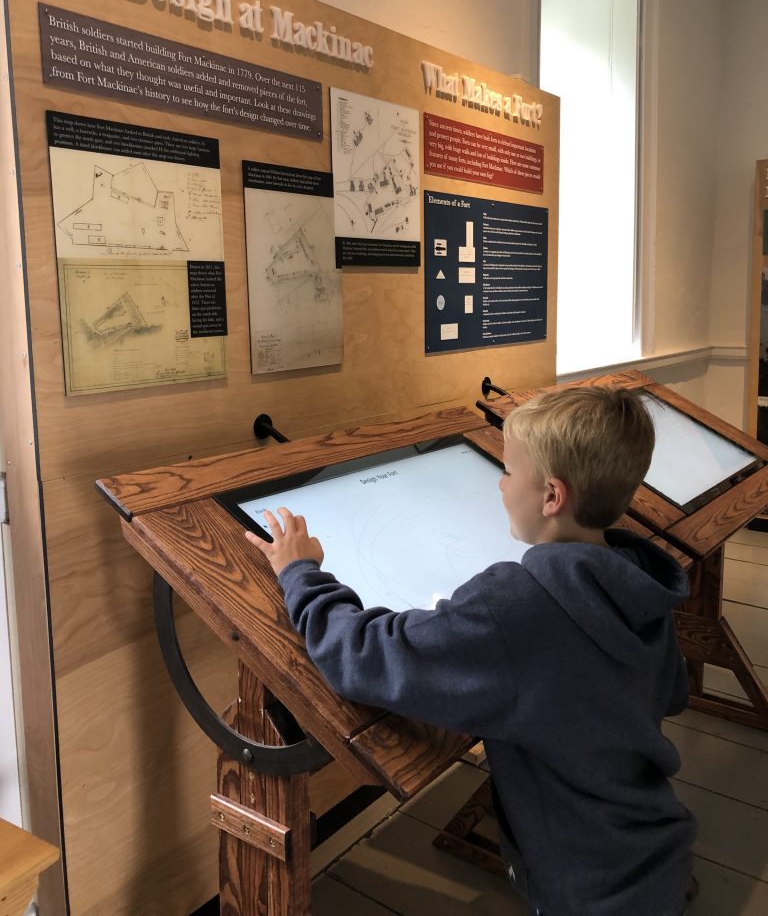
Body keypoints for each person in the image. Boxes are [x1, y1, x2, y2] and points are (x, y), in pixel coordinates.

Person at [245, 386, 697, 915]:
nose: (500, 486)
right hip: (648, 847)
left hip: (583, 881)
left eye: (506, 473)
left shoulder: (517, 604)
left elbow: (366, 654)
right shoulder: (637, 579)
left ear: (551, 497)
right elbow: (671, 694)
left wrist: (301, 573)